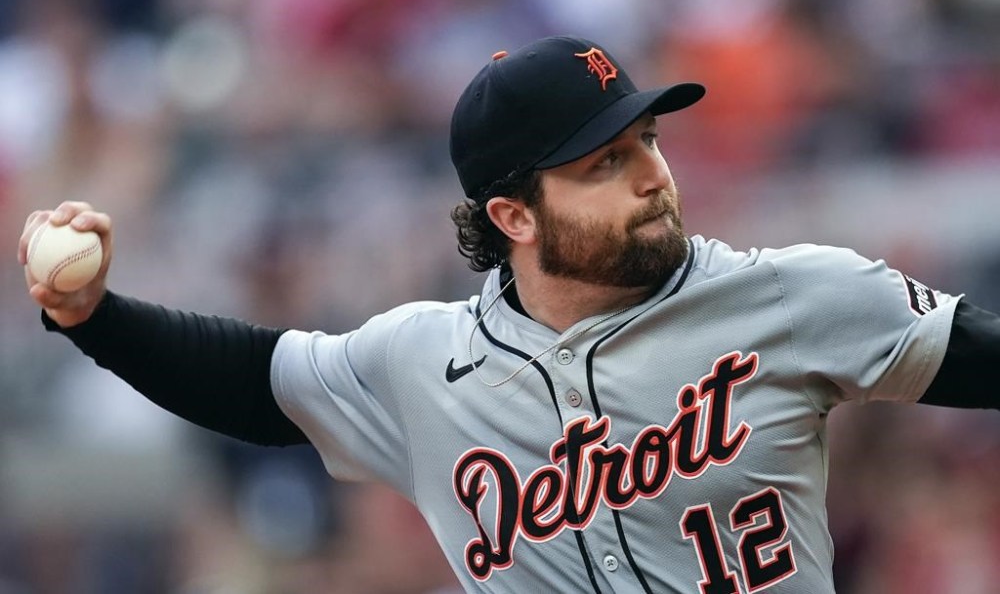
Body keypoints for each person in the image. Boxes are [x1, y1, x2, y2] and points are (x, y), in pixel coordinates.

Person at [18, 35, 1000, 593]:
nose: (653, 176)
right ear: (513, 215)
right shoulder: (423, 362)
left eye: (648, 139)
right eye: (604, 162)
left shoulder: (794, 294)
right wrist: (92, 315)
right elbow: (250, 379)